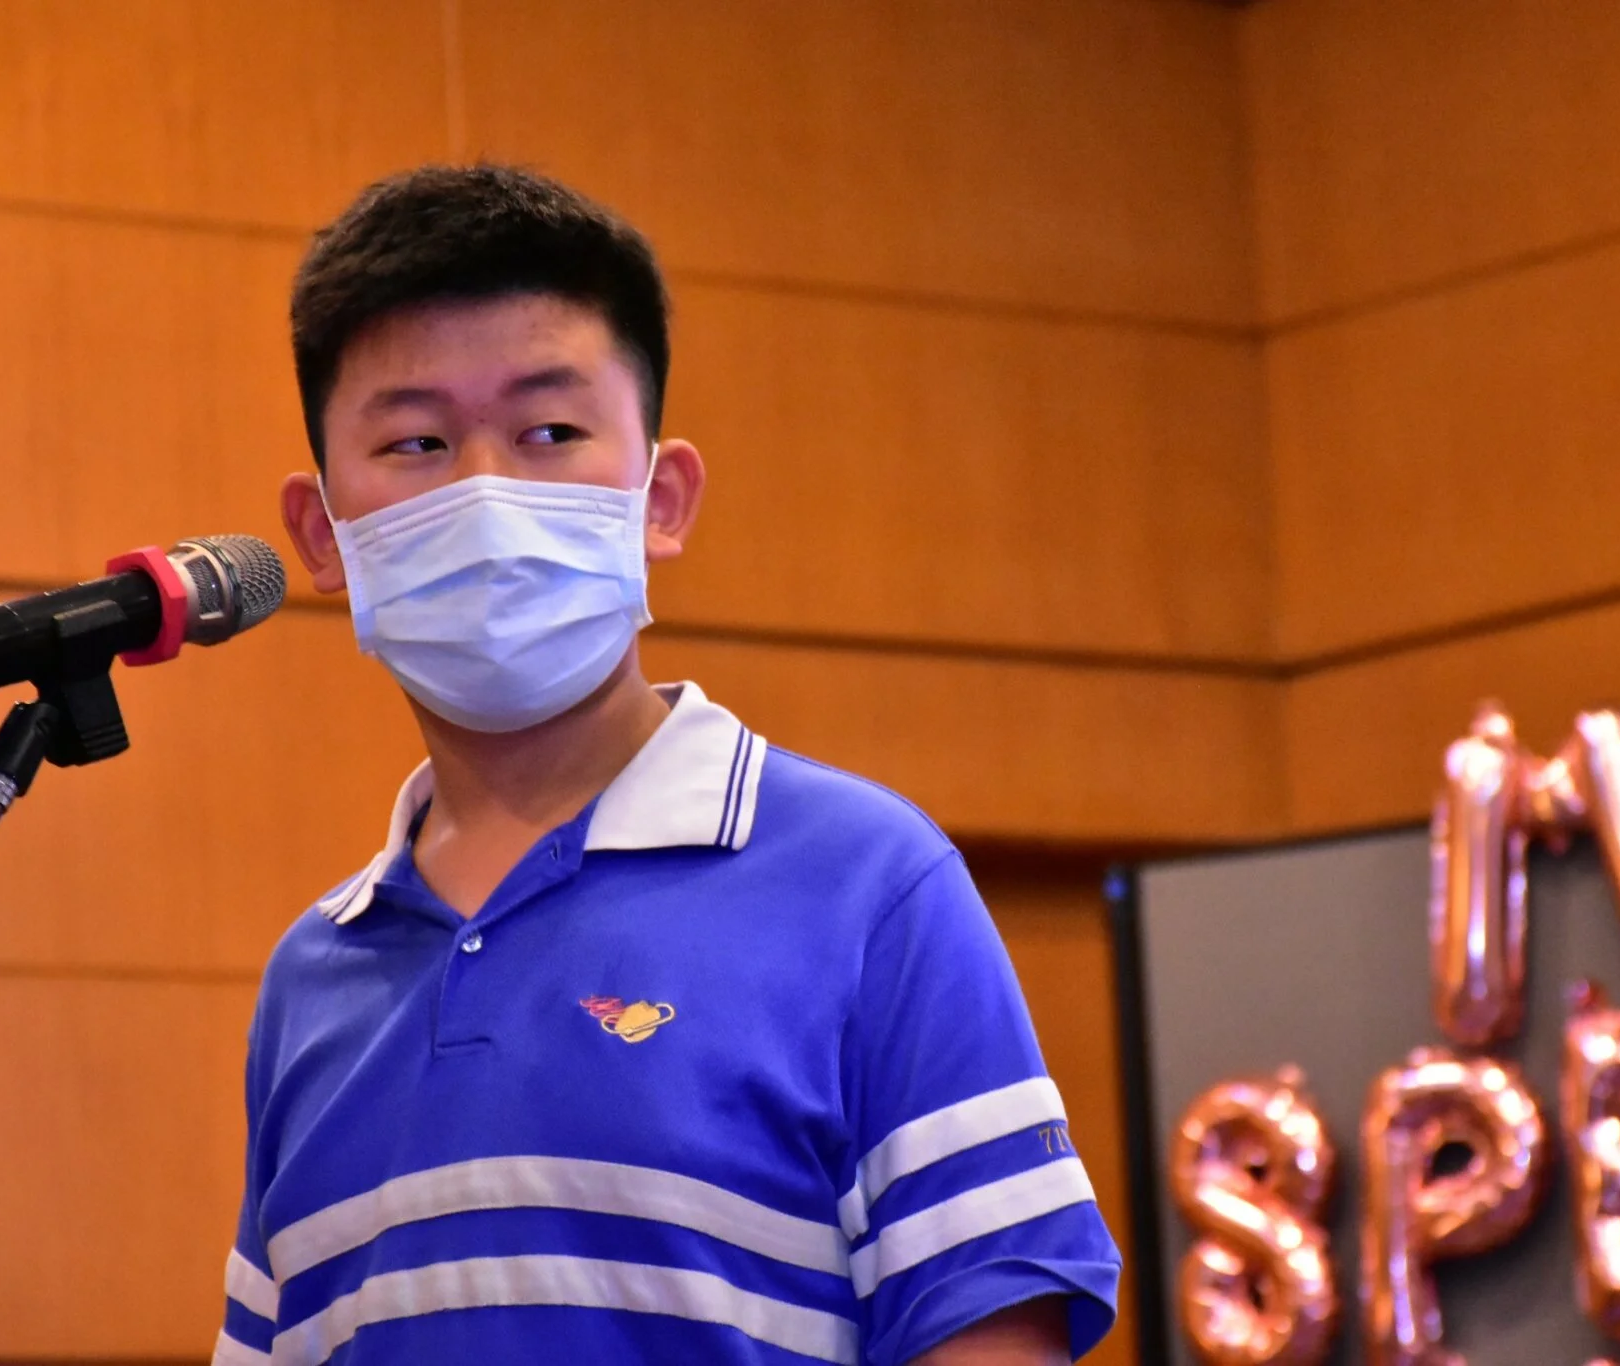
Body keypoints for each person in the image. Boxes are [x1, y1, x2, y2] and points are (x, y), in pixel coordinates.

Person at [215, 164, 1120, 1366]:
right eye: (416, 441)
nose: (486, 490)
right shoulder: (313, 978)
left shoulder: (869, 886)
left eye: (549, 432)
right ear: (322, 533)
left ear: (662, 498)